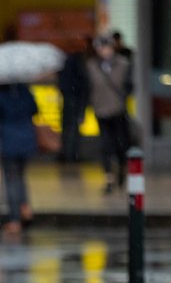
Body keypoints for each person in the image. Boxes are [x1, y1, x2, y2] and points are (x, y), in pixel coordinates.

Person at [85, 33, 133, 194]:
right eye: (100, 47)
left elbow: (130, 85)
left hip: (118, 109)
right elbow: (87, 86)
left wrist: (123, 97)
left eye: (107, 47)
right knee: (105, 145)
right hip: (100, 109)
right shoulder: (91, 65)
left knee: (121, 144)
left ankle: (121, 171)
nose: (104, 51)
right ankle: (109, 178)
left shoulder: (123, 64)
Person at [0, 82, 39, 234]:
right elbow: (34, 109)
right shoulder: (24, 90)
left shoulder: (0, 93)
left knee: (11, 179)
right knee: (20, 176)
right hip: (26, 138)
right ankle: (24, 206)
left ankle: (15, 219)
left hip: (9, 140)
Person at [56, 36, 91, 163]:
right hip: (74, 99)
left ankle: (67, 154)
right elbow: (82, 83)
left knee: (68, 127)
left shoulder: (67, 61)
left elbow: (63, 81)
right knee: (73, 128)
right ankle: (71, 154)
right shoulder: (77, 62)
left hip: (69, 98)